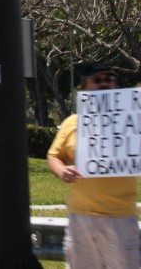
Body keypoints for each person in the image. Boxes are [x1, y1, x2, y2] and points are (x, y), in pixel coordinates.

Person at [47, 61, 139, 268]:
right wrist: (62, 171)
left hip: (122, 219)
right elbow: (54, 156)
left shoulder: (132, 119)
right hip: (82, 219)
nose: (104, 84)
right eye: (97, 80)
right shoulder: (72, 122)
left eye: (109, 80)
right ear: (84, 88)